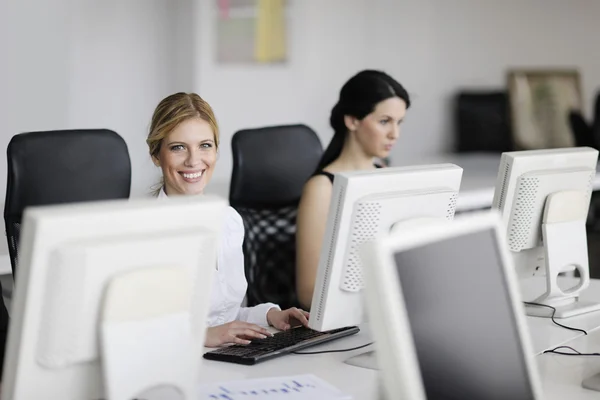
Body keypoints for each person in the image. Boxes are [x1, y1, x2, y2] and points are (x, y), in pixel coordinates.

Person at [147, 92, 310, 347]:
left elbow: (226, 317)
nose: (193, 160)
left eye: (205, 145)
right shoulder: (143, 232)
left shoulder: (229, 221)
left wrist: (270, 315)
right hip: (176, 364)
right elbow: (136, 332)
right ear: (156, 155)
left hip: (227, 359)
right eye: (178, 147)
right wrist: (203, 336)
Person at [295, 70, 411, 309]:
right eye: (384, 121)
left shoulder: (388, 176)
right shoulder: (322, 188)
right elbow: (308, 293)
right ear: (352, 121)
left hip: (386, 307)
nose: (395, 134)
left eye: (399, 123)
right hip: (350, 317)